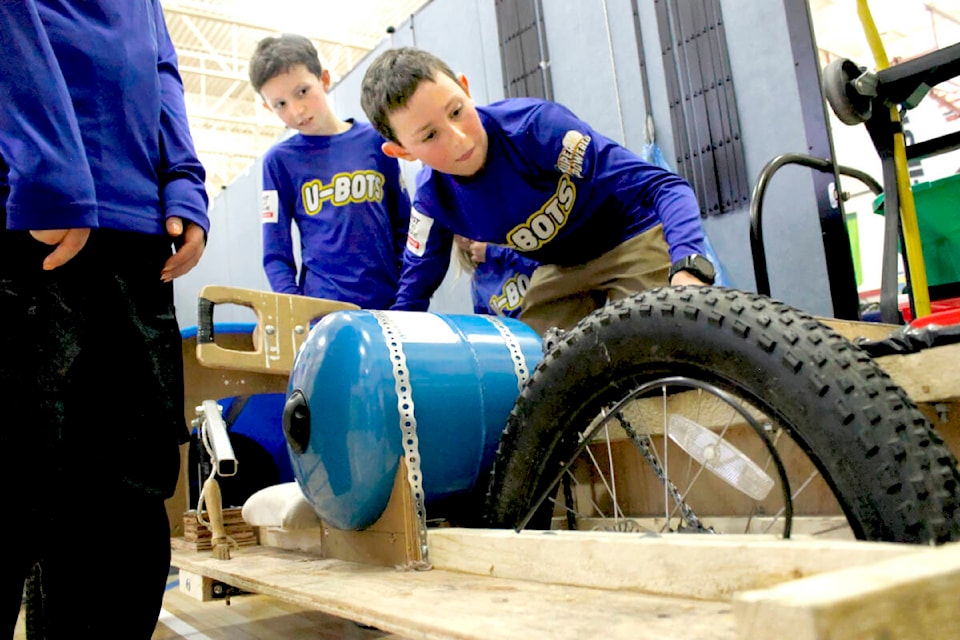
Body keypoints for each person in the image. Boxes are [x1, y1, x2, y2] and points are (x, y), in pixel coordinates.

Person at [0, 2, 209, 638]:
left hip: (136, 240)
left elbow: (160, 67)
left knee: (124, 518)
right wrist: (45, 162)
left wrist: (184, 179)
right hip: (25, 218)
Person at [360, 47, 716, 335]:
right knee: (532, 376)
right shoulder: (431, 202)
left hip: (629, 238)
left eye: (456, 111)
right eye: (430, 136)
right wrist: (388, 350)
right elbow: (412, 297)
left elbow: (663, 185)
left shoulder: (539, 130)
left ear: (466, 89)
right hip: (559, 267)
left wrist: (689, 267)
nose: (459, 139)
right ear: (403, 152)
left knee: (665, 342)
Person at [249, 34, 411, 309]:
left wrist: (407, 296)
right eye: (280, 104)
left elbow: (404, 224)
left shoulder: (375, 141)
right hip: (322, 314)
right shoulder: (278, 163)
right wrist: (295, 311)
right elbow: (276, 253)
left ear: (323, 79)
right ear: (268, 107)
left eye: (302, 91)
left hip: (389, 307)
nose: (297, 110)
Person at [453, 235, 539, 318]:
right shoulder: (478, 282)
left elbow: (543, 266)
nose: (465, 239)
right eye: (456, 234)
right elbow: (489, 327)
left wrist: (494, 251)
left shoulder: (521, 240)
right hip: (522, 330)